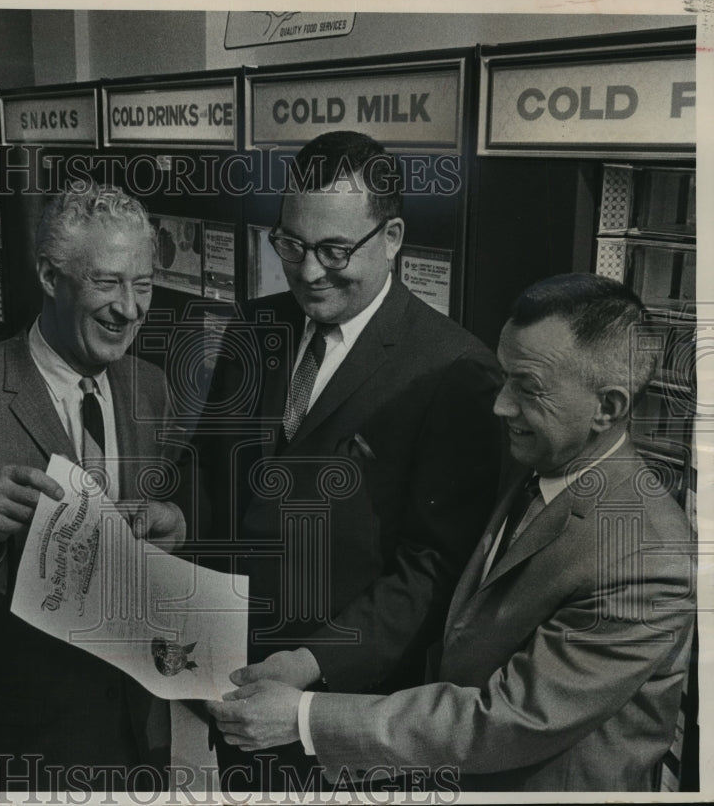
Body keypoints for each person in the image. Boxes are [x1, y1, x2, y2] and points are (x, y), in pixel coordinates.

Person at [208, 273, 695, 792]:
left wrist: (305, 717)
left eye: (528, 389)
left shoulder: (646, 556)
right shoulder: (532, 466)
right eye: (505, 377)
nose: (501, 405)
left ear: (608, 408)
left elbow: (507, 719)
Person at [191, 130, 502, 789]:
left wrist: (310, 662)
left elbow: (433, 566)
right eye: (292, 244)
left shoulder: (454, 370)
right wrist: (173, 512)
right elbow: (211, 465)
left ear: (391, 237)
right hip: (236, 693)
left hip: (346, 723)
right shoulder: (258, 325)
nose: (307, 272)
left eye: (334, 250)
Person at [0, 183, 183, 792]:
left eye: (143, 284)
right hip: (22, 741)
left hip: (138, 732)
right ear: (50, 276)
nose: (129, 309)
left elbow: (142, 542)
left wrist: (173, 527)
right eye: (107, 283)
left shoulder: (150, 388)